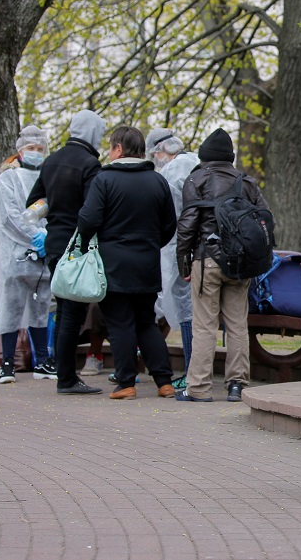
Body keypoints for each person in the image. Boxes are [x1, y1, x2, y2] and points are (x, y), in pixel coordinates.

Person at [77, 126, 177, 400]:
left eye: (110, 148)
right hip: (147, 262)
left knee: (120, 323)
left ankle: (125, 383)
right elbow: (170, 224)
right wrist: (150, 244)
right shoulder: (157, 181)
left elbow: (88, 220)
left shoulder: (105, 179)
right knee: (146, 322)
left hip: (113, 264)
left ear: (118, 149)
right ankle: (164, 381)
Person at [175, 128, 266, 403]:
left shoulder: (197, 179)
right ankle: (237, 385)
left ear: (204, 156)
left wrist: (184, 263)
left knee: (204, 326)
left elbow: (187, 225)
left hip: (207, 259)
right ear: (230, 157)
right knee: (238, 325)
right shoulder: (246, 182)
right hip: (239, 264)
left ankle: (199, 388)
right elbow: (264, 219)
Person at [27, 109, 106, 395]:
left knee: (63, 309)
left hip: (53, 243)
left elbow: (34, 201)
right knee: (73, 312)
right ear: (92, 133)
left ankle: (64, 373)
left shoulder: (51, 161)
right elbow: (93, 210)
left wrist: (54, 212)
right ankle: (67, 378)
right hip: (77, 245)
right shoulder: (90, 165)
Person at [0, 125, 56, 383]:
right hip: (15, 253)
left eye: (40, 149)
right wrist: (34, 237)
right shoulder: (8, 179)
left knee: (41, 307)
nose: (36, 153)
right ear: (20, 150)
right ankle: (7, 362)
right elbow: (9, 218)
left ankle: (42, 360)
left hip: (41, 256)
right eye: (31, 148)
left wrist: (47, 237)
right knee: (10, 307)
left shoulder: (47, 177)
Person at [146, 128, 200, 389]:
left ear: (159, 152)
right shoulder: (198, 162)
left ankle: (191, 372)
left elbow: (166, 214)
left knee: (185, 309)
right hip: (207, 251)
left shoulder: (171, 171)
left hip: (180, 250)